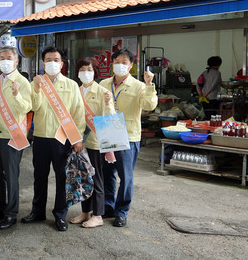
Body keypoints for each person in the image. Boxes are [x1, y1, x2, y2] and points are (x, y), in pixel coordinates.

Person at [21, 47, 86, 232]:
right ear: (43, 63)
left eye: (55, 59)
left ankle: (60, 215)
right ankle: (37, 211)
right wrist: (36, 88)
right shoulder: (37, 83)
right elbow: (33, 107)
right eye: (48, 59)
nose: (52, 62)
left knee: (62, 178)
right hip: (41, 137)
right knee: (39, 176)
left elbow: (78, 113)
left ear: (61, 63)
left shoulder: (71, 85)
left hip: (62, 139)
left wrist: (77, 138)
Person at [99, 49, 157, 227]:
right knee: (107, 173)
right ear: (112, 63)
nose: (120, 65)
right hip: (107, 133)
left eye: (125, 62)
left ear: (131, 66)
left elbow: (149, 105)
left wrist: (149, 85)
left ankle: (122, 211)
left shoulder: (139, 86)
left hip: (128, 136)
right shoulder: (103, 83)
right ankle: (108, 206)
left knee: (126, 176)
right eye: (117, 61)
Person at [0, 46, 32, 230]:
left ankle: (11, 214)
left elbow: (26, 108)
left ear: (16, 61)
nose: (5, 61)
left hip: (13, 137)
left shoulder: (23, 82)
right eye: (1, 58)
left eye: (8, 57)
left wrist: (17, 94)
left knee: (11, 177)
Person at [69, 57, 115, 228]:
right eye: (82, 70)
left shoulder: (103, 91)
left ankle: (98, 215)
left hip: (96, 142)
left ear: (95, 72)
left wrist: (109, 103)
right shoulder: (76, 90)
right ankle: (85, 212)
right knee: (82, 178)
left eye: (89, 69)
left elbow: (109, 118)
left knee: (97, 179)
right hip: (78, 142)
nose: (85, 73)